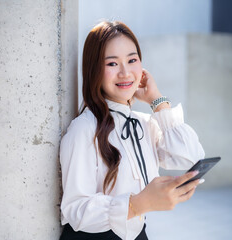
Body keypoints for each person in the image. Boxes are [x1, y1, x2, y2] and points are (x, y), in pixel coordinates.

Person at [59, 21, 205, 240]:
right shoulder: (84, 128)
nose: (125, 72)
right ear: (94, 69)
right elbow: (75, 210)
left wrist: (158, 101)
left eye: (132, 60)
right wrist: (138, 204)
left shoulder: (145, 124)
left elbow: (190, 157)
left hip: (138, 234)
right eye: (112, 64)